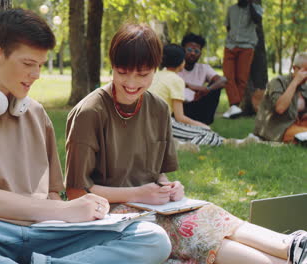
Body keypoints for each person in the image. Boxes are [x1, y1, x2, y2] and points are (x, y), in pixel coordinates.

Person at [0, 9, 172, 264]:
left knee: (152, 238)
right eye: (28, 64)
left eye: (40, 65)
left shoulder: (35, 113)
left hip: (47, 231)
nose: (36, 75)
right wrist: (64, 210)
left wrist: (79, 214)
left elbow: (52, 193)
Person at [65, 22, 307, 264]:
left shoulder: (158, 108)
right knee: (189, 227)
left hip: (150, 205)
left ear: (155, 70)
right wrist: (140, 193)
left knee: (209, 212)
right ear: (112, 66)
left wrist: (167, 187)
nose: (131, 82)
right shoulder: (89, 112)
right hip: (107, 215)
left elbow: (156, 173)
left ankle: (291, 247)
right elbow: (78, 192)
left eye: (142, 74)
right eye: (122, 72)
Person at [149, 44, 224, 146]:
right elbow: (180, 117)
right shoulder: (176, 80)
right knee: (210, 135)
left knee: (200, 132)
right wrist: (203, 126)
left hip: (144, 122)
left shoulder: (155, 76)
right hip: (160, 124)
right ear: (182, 62)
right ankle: (181, 146)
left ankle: (174, 143)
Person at [254, 52, 307, 143]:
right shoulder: (278, 82)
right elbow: (280, 108)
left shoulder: (304, 87)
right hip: (280, 128)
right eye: (305, 71)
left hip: (297, 124)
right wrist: (295, 82)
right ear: (294, 68)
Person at [222, 0, 263, 119]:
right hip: (230, 45)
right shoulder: (231, 9)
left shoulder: (256, 9)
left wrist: (250, 5)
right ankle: (235, 105)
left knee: (241, 78)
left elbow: (257, 20)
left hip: (247, 47)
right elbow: (228, 27)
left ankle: (234, 107)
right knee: (227, 76)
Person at [178, 33, 227, 125]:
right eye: (189, 50)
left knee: (216, 87)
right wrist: (190, 86)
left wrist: (207, 90)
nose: (192, 53)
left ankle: (204, 124)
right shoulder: (174, 67)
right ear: (182, 50)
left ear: (200, 53)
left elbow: (223, 80)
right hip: (179, 107)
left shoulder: (203, 68)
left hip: (197, 105)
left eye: (196, 51)